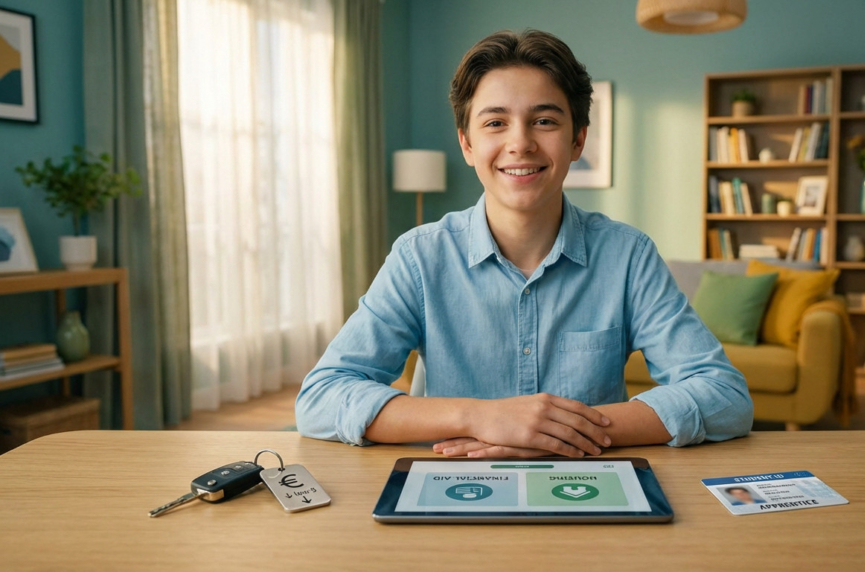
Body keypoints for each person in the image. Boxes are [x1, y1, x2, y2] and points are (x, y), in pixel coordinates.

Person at [296, 29, 752, 458]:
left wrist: (555, 434)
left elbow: (724, 395)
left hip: (588, 492)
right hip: (453, 492)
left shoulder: (628, 256)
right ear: (467, 144)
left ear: (577, 140)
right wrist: (481, 417)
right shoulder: (420, 257)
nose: (520, 142)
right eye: (495, 122)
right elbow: (321, 397)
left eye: (544, 120)